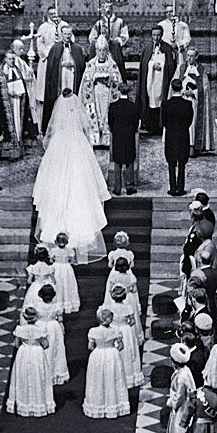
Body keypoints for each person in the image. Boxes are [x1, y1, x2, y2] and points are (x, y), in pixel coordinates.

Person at [32, 88, 110, 263]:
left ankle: (56, 228)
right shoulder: (76, 108)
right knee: (78, 180)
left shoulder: (59, 110)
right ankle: (79, 229)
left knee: (58, 180)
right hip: (76, 142)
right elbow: (85, 126)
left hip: (60, 144)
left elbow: (51, 128)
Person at [7, 307, 56, 417]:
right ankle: (39, 402)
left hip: (23, 353)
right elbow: (46, 345)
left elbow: (16, 344)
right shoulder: (40, 330)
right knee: (38, 376)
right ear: (36, 318)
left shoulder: (20, 329)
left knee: (22, 376)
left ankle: (23, 403)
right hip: (37, 353)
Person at [83, 308, 130, 419]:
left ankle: (98, 405)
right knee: (113, 378)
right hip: (112, 354)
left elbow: (90, 347)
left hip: (97, 355)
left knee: (97, 379)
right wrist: (113, 350)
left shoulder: (93, 331)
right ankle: (113, 404)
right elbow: (121, 346)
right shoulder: (116, 331)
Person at [42, 25, 86, 133]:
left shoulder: (77, 48)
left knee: (72, 98)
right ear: (61, 34)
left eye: (69, 34)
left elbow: (81, 65)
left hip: (72, 76)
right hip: (60, 78)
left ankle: (73, 123)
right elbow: (51, 67)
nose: (67, 36)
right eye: (65, 34)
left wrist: (72, 64)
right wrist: (61, 65)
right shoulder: (55, 48)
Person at [80, 35, 122, 147]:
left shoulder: (112, 64)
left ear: (107, 50)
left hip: (108, 94)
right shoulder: (91, 64)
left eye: (104, 50)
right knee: (96, 114)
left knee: (106, 114)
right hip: (95, 94)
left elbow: (117, 81)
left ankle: (107, 140)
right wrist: (95, 78)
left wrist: (109, 80)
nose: (102, 52)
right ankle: (95, 140)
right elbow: (86, 81)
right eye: (99, 50)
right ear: (96, 51)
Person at [137, 27, 176, 135]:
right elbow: (144, 64)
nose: (156, 37)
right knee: (150, 101)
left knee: (161, 102)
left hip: (162, 81)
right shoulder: (148, 48)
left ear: (162, 35)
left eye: (158, 35)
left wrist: (163, 66)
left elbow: (171, 65)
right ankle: (150, 126)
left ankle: (161, 126)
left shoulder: (167, 48)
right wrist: (151, 65)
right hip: (151, 81)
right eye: (154, 35)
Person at [176, 47, 214, 156]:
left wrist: (193, 93)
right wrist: (182, 91)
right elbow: (175, 81)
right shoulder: (182, 67)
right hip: (182, 99)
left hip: (194, 102)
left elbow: (205, 87)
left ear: (196, 57)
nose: (189, 58)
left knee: (192, 124)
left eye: (192, 56)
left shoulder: (201, 70)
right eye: (188, 55)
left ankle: (193, 148)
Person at [167, 343, 197, 433]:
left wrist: (171, 403)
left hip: (182, 409)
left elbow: (178, 398)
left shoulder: (181, 377)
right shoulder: (186, 371)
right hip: (187, 405)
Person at [161, 79, 193, 197]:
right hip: (183, 135)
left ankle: (172, 188)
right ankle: (181, 188)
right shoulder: (187, 104)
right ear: (181, 88)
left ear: (172, 88)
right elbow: (190, 120)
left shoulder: (165, 104)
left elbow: (163, 121)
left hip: (170, 135)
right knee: (182, 163)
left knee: (171, 163)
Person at [108, 83, 141, 195]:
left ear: (118, 91)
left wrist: (115, 131)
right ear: (128, 92)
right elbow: (136, 123)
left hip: (117, 136)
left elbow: (110, 123)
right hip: (129, 136)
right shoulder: (133, 106)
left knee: (117, 161)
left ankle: (117, 188)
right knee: (129, 161)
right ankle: (129, 187)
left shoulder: (113, 106)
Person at [34, 285, 68, 385]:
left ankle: (41, 373)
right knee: (55, 350)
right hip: (54, 327)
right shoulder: (57, 305)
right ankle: (55, 373)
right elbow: (60, 319)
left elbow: (34, 317)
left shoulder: (37, 305)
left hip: (40, 326)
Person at [35, 7, 65, 118]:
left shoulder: (63, 25)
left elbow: (70, 38)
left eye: (55, 13)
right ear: (47, 14)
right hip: (47, 59)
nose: (53, 15)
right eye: (51, 13)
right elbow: (40, 43)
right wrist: (48, 53)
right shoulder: (43, 27)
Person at [0, 50, 27, 159]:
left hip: (18, 100)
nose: (12, 61)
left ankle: (19, 146)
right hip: (8, 103)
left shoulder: (17, 70)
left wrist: (21, 92)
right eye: (10, 59)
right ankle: (8, 151)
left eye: (13, 59)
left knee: (18, 124)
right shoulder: (1, 72)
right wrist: (9, 92)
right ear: (5, 59)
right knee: (9, 125)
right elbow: (1, 88)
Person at [88, 2, 129, 78]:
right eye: (106, 8)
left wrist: (115, 41)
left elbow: (125, 36)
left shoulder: (120, 22)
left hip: (114, 48)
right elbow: (92, 37)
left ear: (112, 9)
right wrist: (101, 41)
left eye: (110, 7)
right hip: (101, 49)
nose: (108, 10)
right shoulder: (99, 23)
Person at [49, 233, 79, 313]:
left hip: (56, 268)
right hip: (66, 268)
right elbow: (71, 261)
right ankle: (66, 304)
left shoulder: (53, 250)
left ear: (56, 242)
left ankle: (56, 303)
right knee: (66, 284)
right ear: (67, 242)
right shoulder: (70, 251)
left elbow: (51, 261)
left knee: (57, 284)